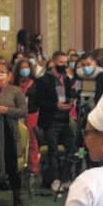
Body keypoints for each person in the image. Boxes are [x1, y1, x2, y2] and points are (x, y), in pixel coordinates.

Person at [0, 62, 28, 206]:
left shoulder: (15, 91)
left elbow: (23, 111)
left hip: (9, 132)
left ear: (9, 75)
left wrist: (6, 110)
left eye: (2, 72)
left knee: (11, 166)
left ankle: (17, 199)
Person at [36, 51, 77, 194]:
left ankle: (66, 178)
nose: (64, 65)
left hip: (64, 120)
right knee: (53, 150)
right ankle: (55, 179)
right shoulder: (43, 80)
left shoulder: (66, 79)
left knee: (72, 147)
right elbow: (39, 102)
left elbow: (69, 95)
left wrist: (71, 101)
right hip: (50, 120)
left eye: (65, 63)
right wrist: (55, 105)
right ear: (53, 62)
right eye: (61, 62)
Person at [16, 59, 41, 178]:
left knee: (33, 141)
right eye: (22, 68)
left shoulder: (35, 83)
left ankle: (34, 167)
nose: (24, 70)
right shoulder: (15, 83)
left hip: (31, 115)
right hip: (17, 115)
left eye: (26, 67)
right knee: (18, 140)